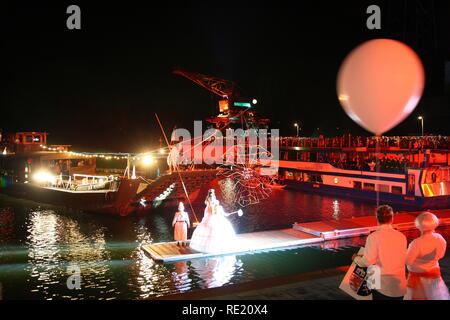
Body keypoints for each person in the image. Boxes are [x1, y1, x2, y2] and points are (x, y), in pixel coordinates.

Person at [353, 205, 407, 300]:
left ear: (377, 218)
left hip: (382, 285)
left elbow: (367, 261)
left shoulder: (374, 237)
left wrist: (356, 258)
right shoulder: (401, 236)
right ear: (392, 218)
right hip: (399, 286)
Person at [404, 212, 450, 300]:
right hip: (434, 275)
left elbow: (408, 261)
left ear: (418, 225)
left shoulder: (416, 243)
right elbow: (441, 255)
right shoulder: (440, 238)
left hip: (417, 278)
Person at [189, 189, 237, 254]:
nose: (211, 197)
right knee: (210, 232)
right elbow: (207, 213)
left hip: (217, 218)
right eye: (210, 194)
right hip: (210, 218)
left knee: (218, 231)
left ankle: (219, 246)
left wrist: (227, 213)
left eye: (212, 194)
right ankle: (210, 247)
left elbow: (222, 213)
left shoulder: (217, 206)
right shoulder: (208, 205)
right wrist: (205, 219)